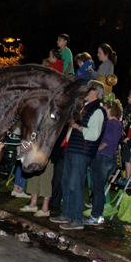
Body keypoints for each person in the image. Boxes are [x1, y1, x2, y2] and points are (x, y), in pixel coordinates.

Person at [51, 80, 106, 230]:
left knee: (75, 184)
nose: (85, 92)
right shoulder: (86, 108)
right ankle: (67, 214)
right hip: (72, 150)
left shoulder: (98, 110)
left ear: (95, 91)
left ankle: (76, 219)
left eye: (88, 90)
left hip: (81, 152)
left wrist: (77, 127)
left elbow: (94, 134)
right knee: (67, 182)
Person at [86, 97, 123, 226]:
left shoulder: (110, 123)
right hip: (111, 157)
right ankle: (97, 214)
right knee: (100, 187)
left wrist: (93, 149)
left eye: (105, 107)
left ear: (110, 109)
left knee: (97, 188)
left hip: (102, 157)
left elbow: (104, 143)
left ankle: (96, 215)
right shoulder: (118, 124)